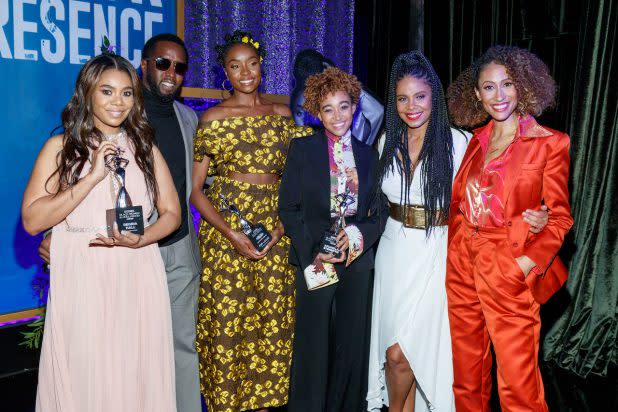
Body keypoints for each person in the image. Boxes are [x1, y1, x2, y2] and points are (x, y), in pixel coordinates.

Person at [366, 51, 550, 412]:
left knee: (408, 353)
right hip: (393, 253)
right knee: (392, 354)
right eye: (402, 98)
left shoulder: (462, 143)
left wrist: (534, 216)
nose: (411, 106)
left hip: (440, 254)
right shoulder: (384, 141)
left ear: (434, 95)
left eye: (420, 96)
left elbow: (496, 193)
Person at [38, 33, 202, 412]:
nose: (118, 102)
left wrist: (142, 239)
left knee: (137, 371)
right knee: (88, 372)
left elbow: (173, 213)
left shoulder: (145, 148)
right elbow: (34, 218)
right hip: (85, 274)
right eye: (107, 92)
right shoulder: (60, 148)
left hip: (138, 270)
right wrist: (91, 177)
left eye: (126, 93)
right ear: (88, 94)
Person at [445, 45, 573, 412]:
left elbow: (561, 216)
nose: (498, 96)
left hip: (508, 263)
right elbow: (461, 202)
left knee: (519, 385)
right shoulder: (474, 142)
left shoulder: (550, 144)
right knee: (467, 377)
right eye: (488, 87)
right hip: (461, 263)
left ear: (523, 86)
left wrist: (526, 264)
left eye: (507, 84)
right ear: (476, 94)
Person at [190, 30, 311, 412]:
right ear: (224, 72)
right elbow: (195, 191)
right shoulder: (211, 118)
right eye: (235, 65)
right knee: (228, 324)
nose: (245, 72)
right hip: (226, 234)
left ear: (262, 66)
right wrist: (230, 233)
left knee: (273, 322)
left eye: (252, 63)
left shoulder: (283, 115)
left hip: (276, 229)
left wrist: (279, 228)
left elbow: (301, 178)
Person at [279, 66, 386, 412]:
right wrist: (314, 251)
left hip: (357, 263)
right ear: (316, 112)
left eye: (344, 106)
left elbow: (379, 213)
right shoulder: (302, 149)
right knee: (313, 346)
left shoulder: (370, 156)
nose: (337, 115)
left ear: (354, 107)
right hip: (315, 260)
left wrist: (357, 237)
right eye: (327, 108)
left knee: (351, 346)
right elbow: (289, 207)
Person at [290, 49, 384, 146]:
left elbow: (378, 111)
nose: (307, 121)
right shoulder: (297, 145)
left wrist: (340, 78)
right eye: (300, 113)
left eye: (342, 107)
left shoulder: (354, 135)